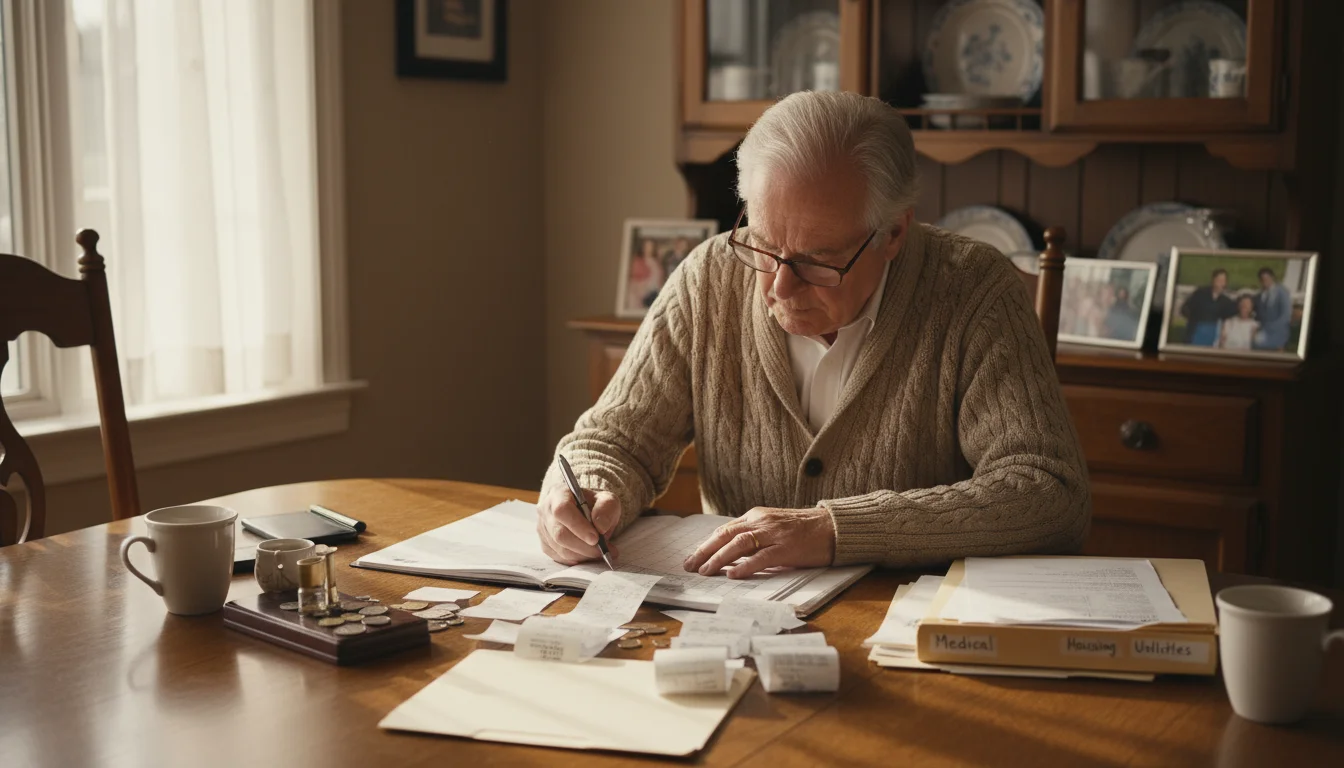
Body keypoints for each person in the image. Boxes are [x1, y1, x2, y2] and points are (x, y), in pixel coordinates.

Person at [535, 91, 1089, 575]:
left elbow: (1049, 491)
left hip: (910, 627)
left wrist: (834, 530)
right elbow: (613, 442)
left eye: (818, 261)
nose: (780, 285)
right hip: (735, 618)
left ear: (894, 231)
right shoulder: (707, 279)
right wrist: (584, 489)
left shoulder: (973, 292)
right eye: (763, 244)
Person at [1179, 269, 1236, 346]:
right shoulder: (1200, 294)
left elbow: (1229, 318)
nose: (1221, 283)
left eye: (1223, 281)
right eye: (1219, 280)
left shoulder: (1226, 301)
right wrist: (1193, 319)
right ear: (1213, 280)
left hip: (1213, 334)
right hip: (1196, 331)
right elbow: (1185, 309)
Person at [1252, 267, 1292, 351]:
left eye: (1267, 278)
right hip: (1262, 331)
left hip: (1278, 331)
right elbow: (1257, 314)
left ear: (1272, 278)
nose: (1265, 281)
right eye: (1262, 279)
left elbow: (1286, 315)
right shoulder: (1260, 295)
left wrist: (1271, 328)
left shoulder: (1282, 292)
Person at [624, 238, 664, 312]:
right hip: (642, 294)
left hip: (655, 292)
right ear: (642, 248)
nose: (649, 249)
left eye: (651, 246)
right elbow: (634, 279)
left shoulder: (656, 261)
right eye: (646, 246)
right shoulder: (638, 260)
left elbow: (659, 278)